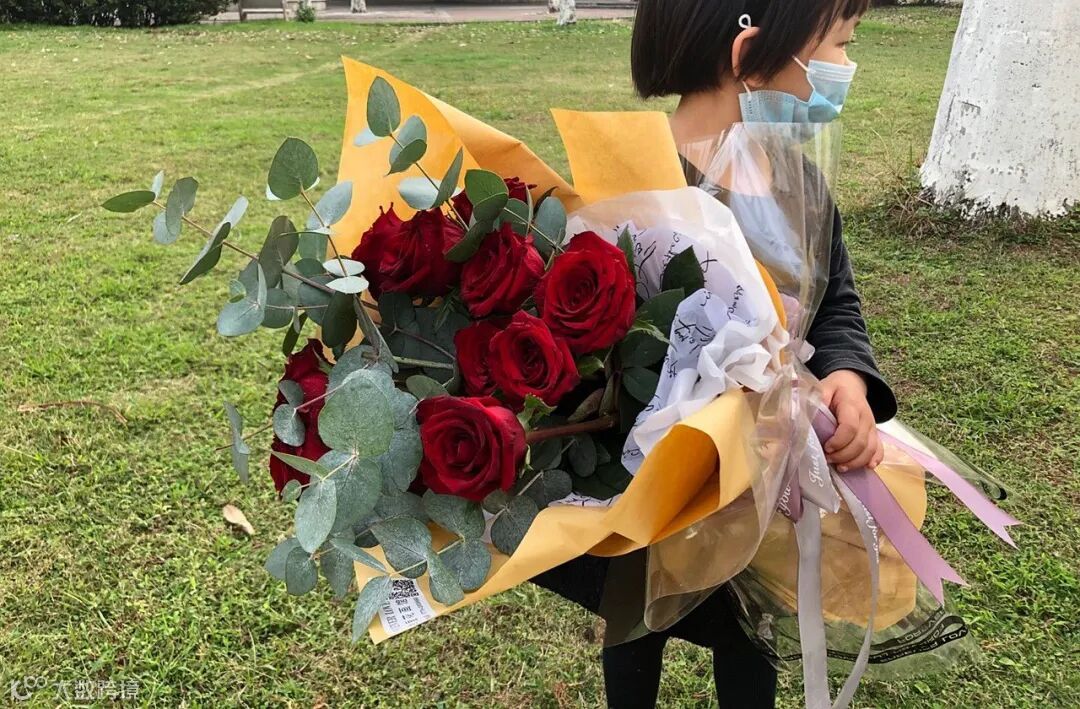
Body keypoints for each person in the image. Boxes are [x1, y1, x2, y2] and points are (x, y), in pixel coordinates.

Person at [533, 1, 899, 707]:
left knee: (752, 620)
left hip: (765, 473)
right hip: (657, 476)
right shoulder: (638, 186)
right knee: (635, 613)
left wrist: (848, 377)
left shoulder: (801, 185)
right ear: (749, 55)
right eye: (838, 45)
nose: (847, 69)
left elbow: (834, 300)